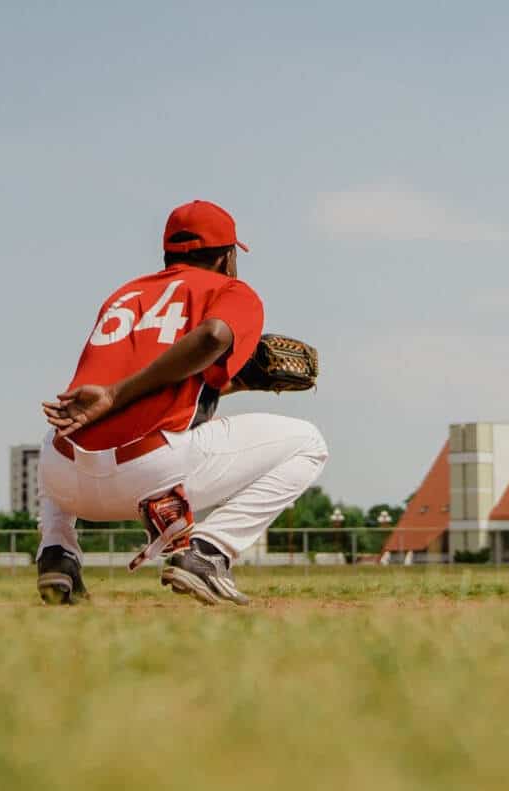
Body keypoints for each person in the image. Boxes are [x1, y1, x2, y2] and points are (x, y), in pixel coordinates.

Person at [36, 200, 328, 605]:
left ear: (167, 254)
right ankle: (208, 553)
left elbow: (144, 389)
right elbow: (211, 337)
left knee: (61, 431)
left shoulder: (124, 295)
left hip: (64, 480)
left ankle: (57, 553)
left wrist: (233, 384)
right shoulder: (232, 291)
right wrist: (116, 395)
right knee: (309, 443)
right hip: (147, 474)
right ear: (228, 257)